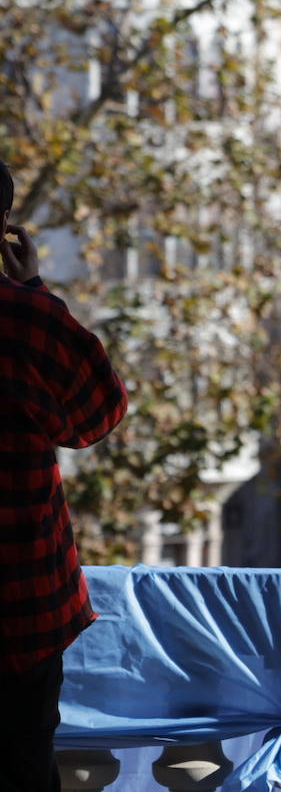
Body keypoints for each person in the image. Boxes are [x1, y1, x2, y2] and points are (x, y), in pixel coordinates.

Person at [0, 163, 128, 792]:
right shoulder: (30, 320)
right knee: (25, 762)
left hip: (27, 604)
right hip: (24, 602)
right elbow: (97, 416)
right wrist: (38, 290)